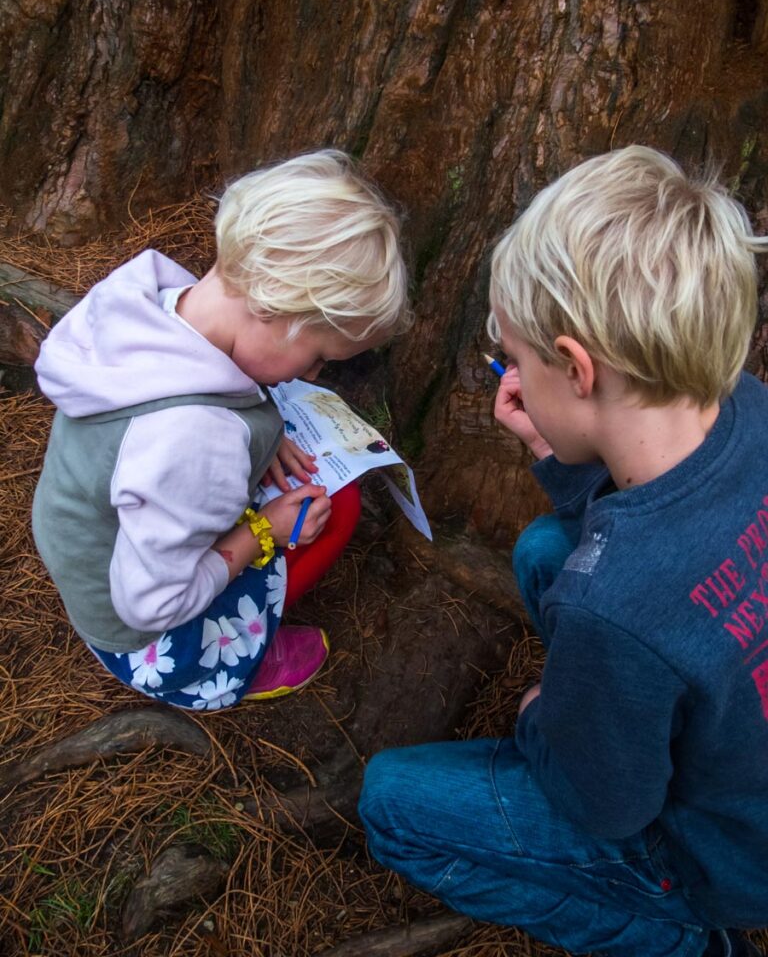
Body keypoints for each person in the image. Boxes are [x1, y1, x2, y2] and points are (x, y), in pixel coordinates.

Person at [358, 146, 768, 956]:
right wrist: (560, 458)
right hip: (740, 754)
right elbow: (655, 518)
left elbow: (610, 808)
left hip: (717, 855)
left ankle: (687, 939)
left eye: (514, 356)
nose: (508, 372)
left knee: (390, 805)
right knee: (549, 546)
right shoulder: (748, 405)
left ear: (576, 367)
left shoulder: (612, 604)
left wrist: (541, 721)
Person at [33, 150, 410, 711]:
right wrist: (262, 534)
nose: (311, 376)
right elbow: (151, 606)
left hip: (94, 550)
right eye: (316, 358)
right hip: (143, 633)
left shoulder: (150, 299)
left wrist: (261, 427)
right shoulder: (193, 440)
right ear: (271, 306)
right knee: (338, 511)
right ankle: (237, 664)